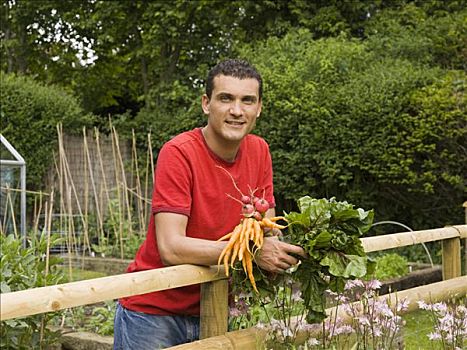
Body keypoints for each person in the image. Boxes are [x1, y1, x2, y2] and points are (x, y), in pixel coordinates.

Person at [113, 58, 306, 349]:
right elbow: (171, 248)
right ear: (206, 103)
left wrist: (288, 249)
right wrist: (251, 254)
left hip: (215, 304)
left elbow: (268, 231)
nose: (237, 111)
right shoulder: (179, 153)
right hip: (156, 311)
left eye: (247, 100)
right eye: (225, 98)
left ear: (259, 108)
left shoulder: (260, 151)